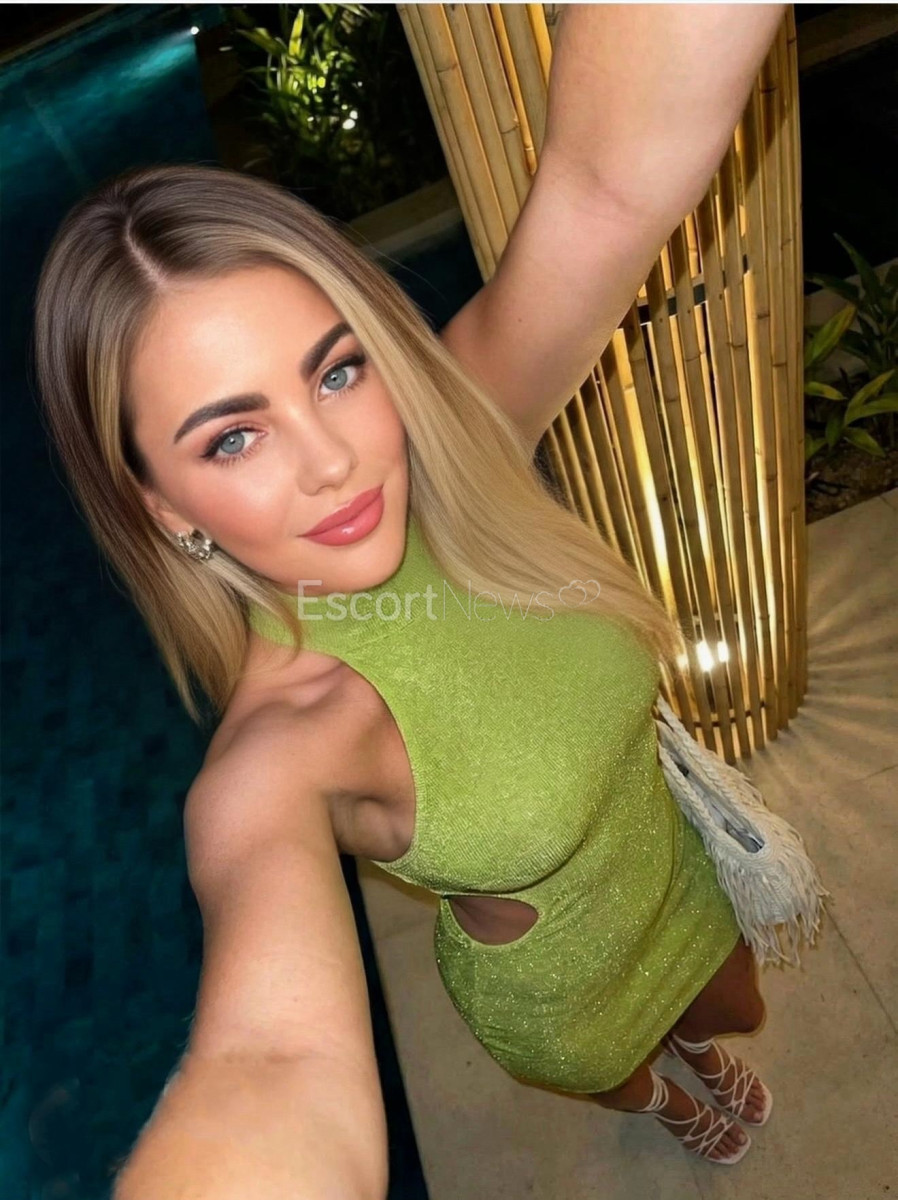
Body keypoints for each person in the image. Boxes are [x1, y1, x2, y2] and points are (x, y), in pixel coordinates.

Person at [32, 5, 788, 1195]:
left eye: (336, 371)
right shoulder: (283, 753)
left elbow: (605, 188)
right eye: (233, 438)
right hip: (560, 991)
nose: (334, 461)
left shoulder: (450, 448)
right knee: (617, 1068)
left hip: (672, 873)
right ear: (161, 505)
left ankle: (688, 1053)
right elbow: (270, 1063)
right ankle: (658, 1095)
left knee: (729, 1007)